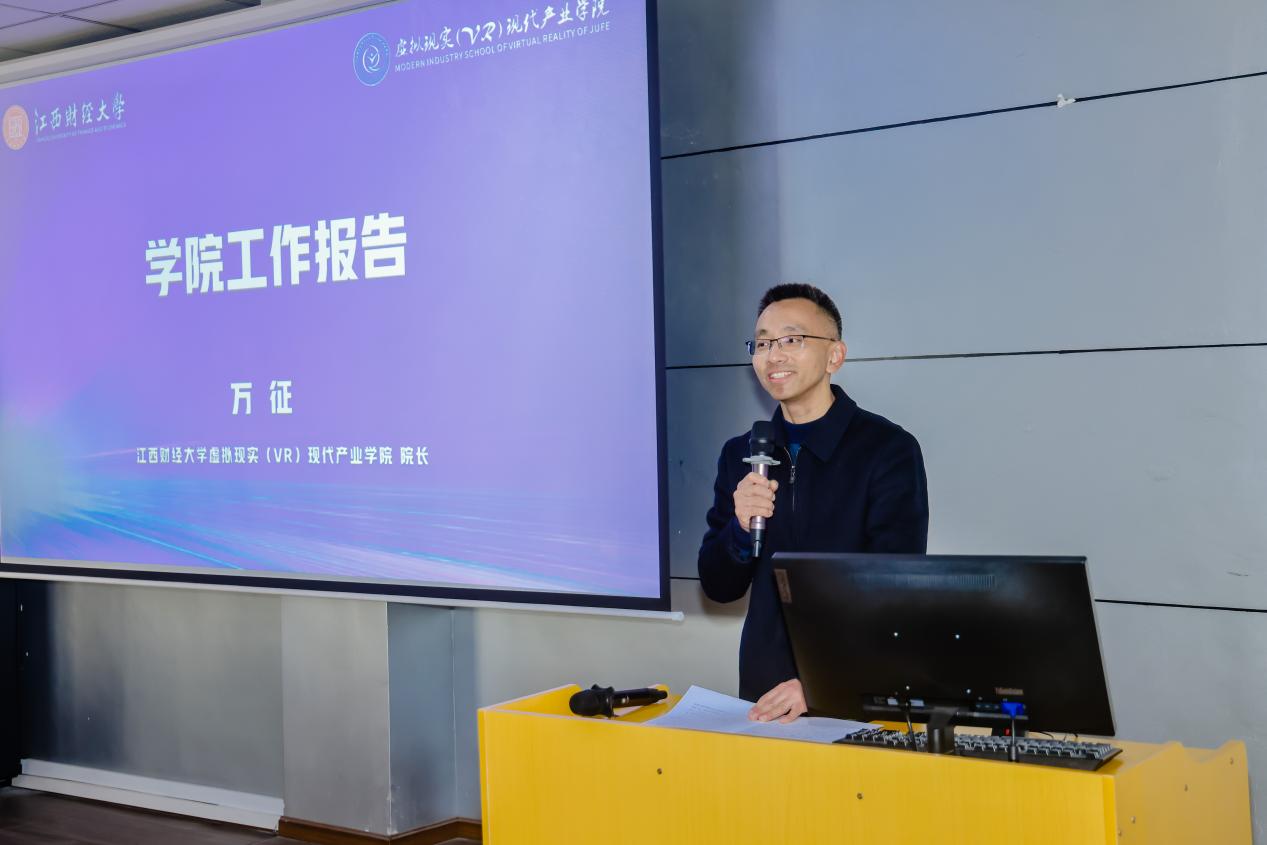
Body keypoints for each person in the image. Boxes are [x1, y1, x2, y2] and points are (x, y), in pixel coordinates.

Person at [697, 283, 928, 724]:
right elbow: (718, 586)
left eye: (791, 339)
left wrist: (821, 678)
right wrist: (740, 530)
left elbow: (895, 594)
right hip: (765, 696)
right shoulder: (741, 453)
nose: (773, 355)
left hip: (856, 693)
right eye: (763, 343)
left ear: (834, 356)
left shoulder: (887, 450)